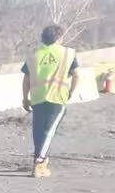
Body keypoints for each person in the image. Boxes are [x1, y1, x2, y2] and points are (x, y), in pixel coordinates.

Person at [21, 24, 79, 178]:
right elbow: (76, 75)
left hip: (37, 97)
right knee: (49, 131)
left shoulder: (34, 54)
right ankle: (39, 163)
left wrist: (25, 98)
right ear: (59, 37)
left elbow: (26, 79)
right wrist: (71, 92)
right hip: (58, 97)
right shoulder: (67, 54)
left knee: (39, 131)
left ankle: (40, 159)